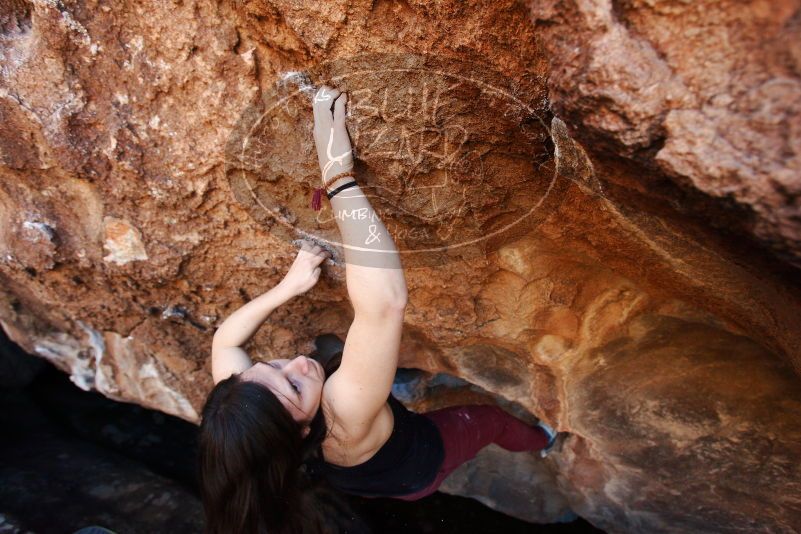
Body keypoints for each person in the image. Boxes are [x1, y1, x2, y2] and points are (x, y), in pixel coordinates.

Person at [197, 85, 560, 534]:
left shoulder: (252, 415)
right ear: (296, 431)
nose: (297, 363)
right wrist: (337, 178)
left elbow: (226, 341)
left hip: (364, 478)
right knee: (485, 420)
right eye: (293, 384)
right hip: (423, 466)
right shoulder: (342, 412)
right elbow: (384, 305)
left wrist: (287, 288)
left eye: (271, 366)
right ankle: (543, 440)